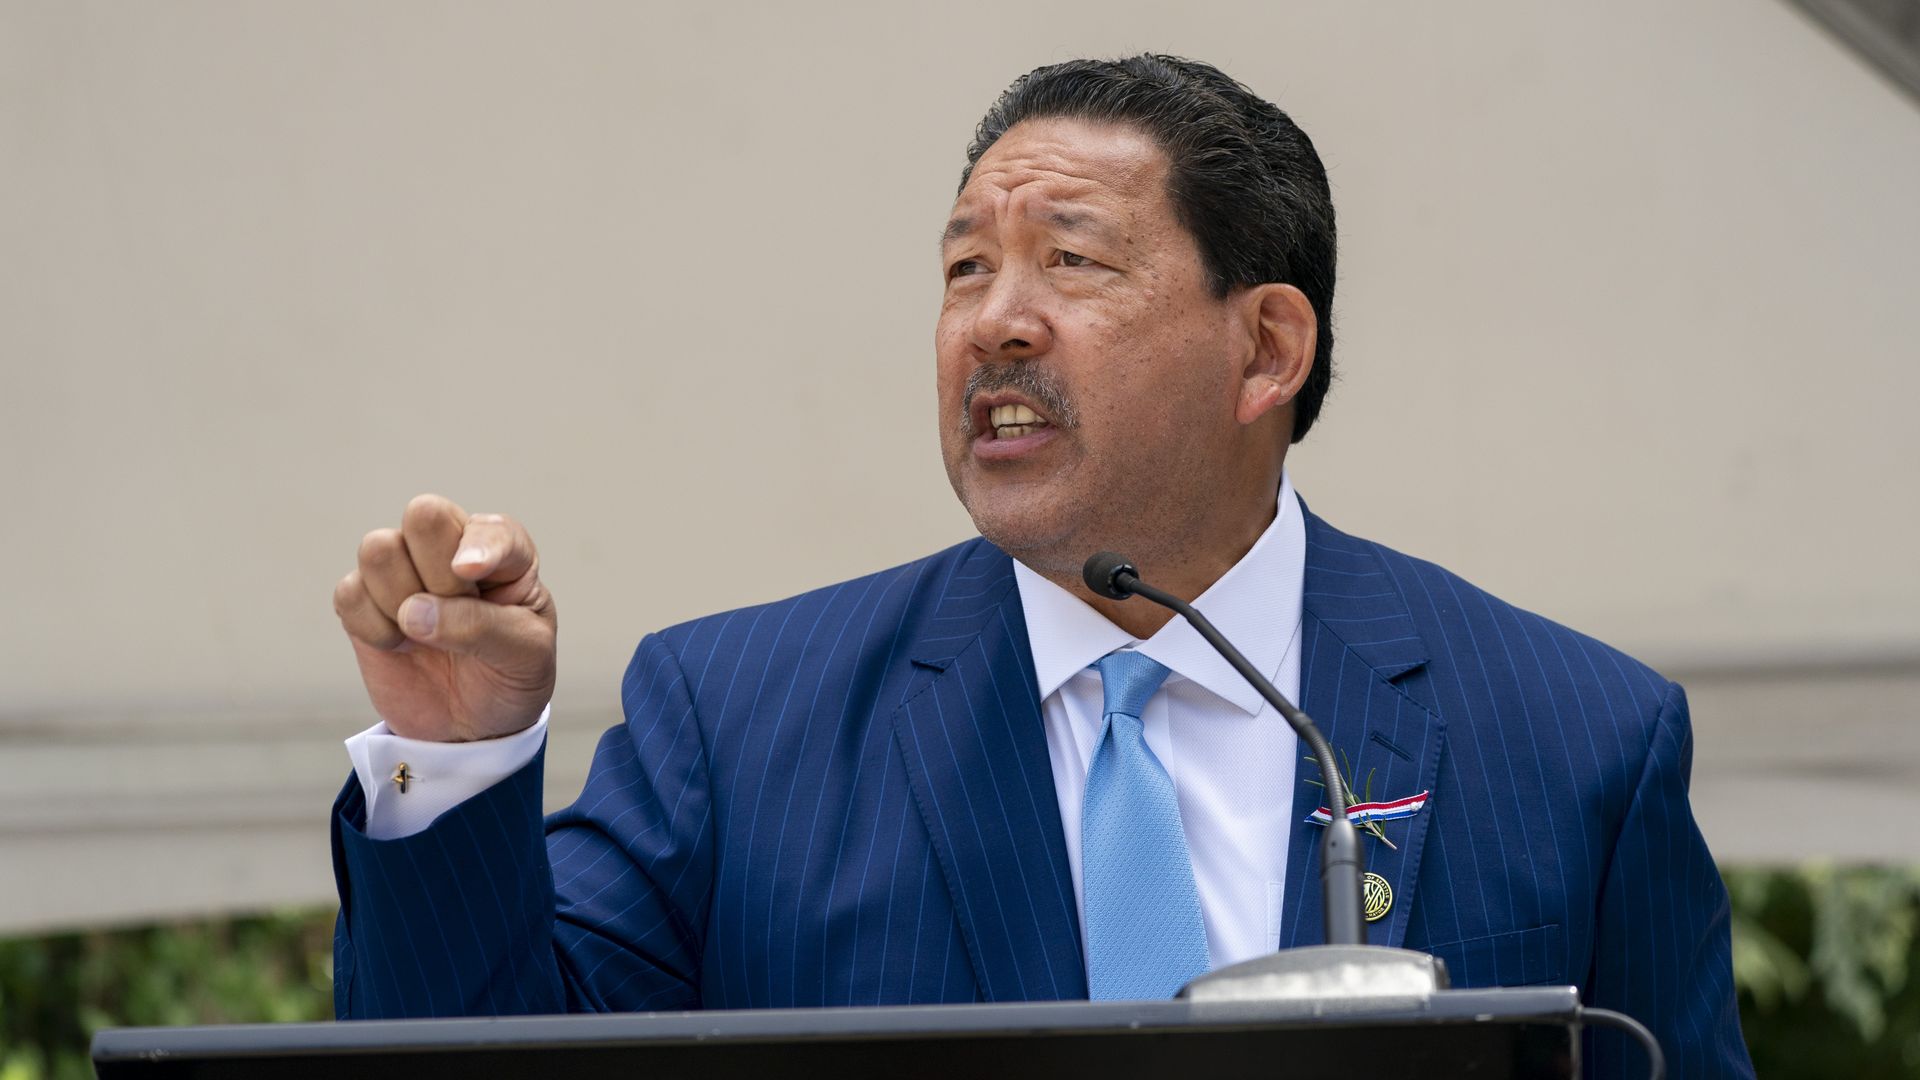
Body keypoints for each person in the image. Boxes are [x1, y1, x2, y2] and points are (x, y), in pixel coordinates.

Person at [328, 55, 1754, 1077]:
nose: (994, 324)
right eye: (965, 269)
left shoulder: (1574, 737)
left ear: (1266, 348)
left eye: (1070, 262)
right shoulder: (737, 723)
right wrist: (453, 761)